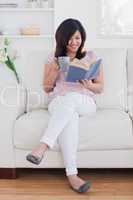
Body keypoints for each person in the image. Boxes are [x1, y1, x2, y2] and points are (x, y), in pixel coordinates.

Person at [26, 18, 104, 193]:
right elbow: (47, 88)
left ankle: (43, 146)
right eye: (69, 38)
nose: (74, 42)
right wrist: (54, 70)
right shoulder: (53, 58)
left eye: (77, 38)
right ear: (61, 39)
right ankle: (72, 176)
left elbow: (100, 87)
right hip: (59, 102)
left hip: (85, 100)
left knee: (71, 99)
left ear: (82, 37)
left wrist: (89, 85)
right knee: (69, 114)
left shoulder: (91, 56)